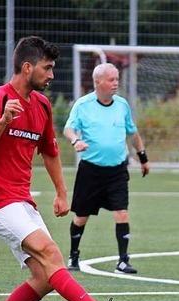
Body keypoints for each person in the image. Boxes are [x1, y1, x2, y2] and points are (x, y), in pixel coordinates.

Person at [0, 36, 130, 301]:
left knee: (45, 277)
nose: (52, 75)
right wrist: (4, 120)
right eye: (48, 68)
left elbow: (50, 152)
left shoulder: (42, 105)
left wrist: (61, 193)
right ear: (27, 67)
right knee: (52, 255)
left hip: (21, 200)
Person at [63, 63, 150, 274]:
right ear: (98, 82)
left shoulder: (122, 105)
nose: (115, 83)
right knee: (81, 216)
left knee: (122, 213)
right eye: (111, 79)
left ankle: (123, 261)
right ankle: (73, 256)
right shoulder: (83, 105)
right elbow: (68, 128)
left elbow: (133, 132)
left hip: (117, 171)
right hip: (90, 171)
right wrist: (76, 141)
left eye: (117, 79)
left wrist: (143, 157)